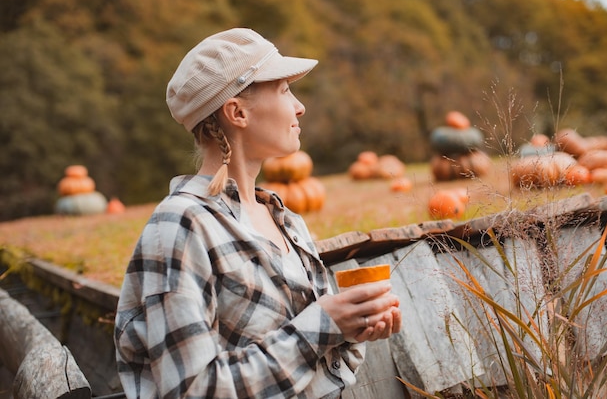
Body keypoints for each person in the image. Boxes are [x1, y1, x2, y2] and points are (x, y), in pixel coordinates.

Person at [114, 27, 402, 399]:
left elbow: (322, 362)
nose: (299, 106)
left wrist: (353, 328)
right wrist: (324, 324)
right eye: (284, 90)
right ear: (237, 112)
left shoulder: (287, 221)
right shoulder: (182, 226)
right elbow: (192, 390)